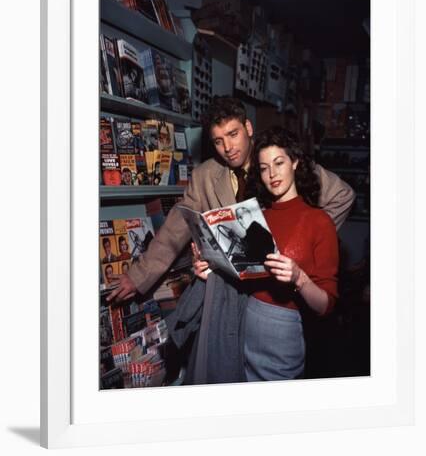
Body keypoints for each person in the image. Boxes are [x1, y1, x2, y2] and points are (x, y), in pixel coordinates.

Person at [106, 96, 354, 384]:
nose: (228, 147)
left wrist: (300, 244)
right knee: (224, 375)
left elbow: (342, 196)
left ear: (248, 127)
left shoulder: (275, 159)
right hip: (227, 293)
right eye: (218, 141)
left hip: (278, 299)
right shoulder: (205, 176)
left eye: (233, 134)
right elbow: (174, 228)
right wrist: (137, 276)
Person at [194, 126, 339, 381]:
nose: (272, 174)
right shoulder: (254, 218)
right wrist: (211, 270)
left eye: (279, 163)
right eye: (263, 168)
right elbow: (241, 277)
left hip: (284, 334)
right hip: (242, 325)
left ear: (294, 162)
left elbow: (326, 305)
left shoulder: (319, 221)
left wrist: (300, 278)